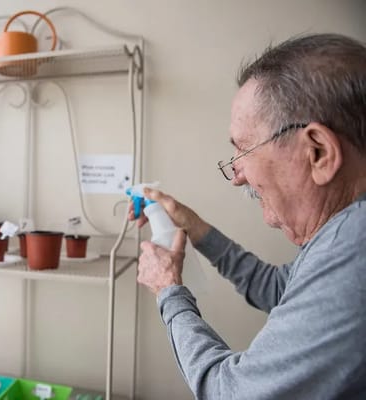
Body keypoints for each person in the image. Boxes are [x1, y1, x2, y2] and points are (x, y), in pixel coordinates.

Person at [131, 33, 366, 399]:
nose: (236, 173)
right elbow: (276, 288)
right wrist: (194, 227)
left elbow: (230, 392)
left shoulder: (357, 250)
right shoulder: (341, 234)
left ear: (318, 152)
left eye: (243, 150)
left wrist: (168, 290)